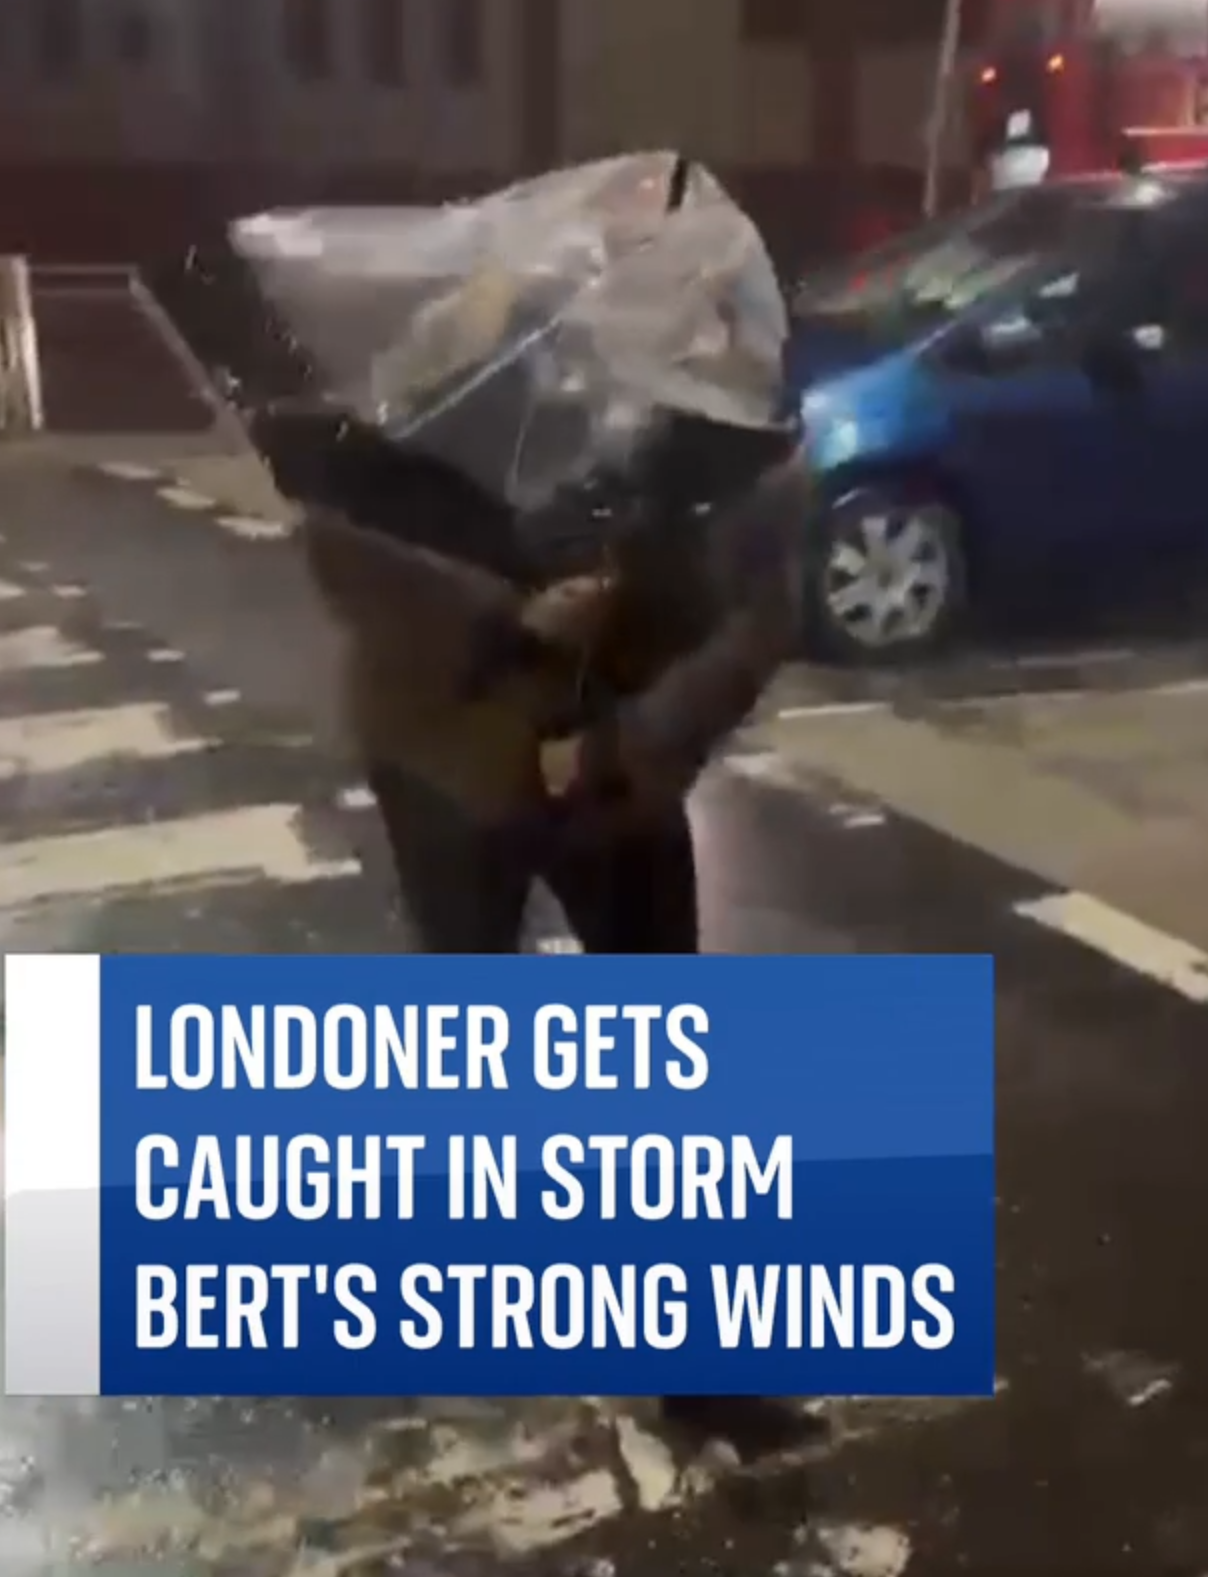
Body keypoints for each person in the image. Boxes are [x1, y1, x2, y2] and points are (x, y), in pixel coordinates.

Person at [285, 409, 824, 1458]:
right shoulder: (426, 374)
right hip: (445, 759)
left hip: (613, 775)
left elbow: (762, 615)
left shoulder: (691, 407)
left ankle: (701, 1366)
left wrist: (648, 718)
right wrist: (519, 629)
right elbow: (337, 556)